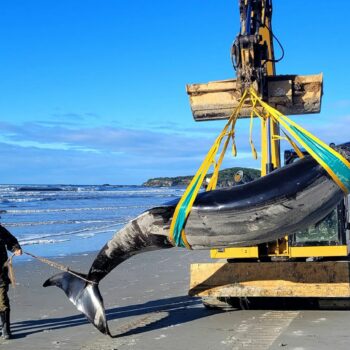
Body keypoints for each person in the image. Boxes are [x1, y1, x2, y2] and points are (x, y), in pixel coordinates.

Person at [0, 224, 22, 339]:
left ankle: (5, 328)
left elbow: (11, 241)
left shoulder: (1, 230)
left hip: (1, 274)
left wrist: (16, 248)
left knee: (2, 301)